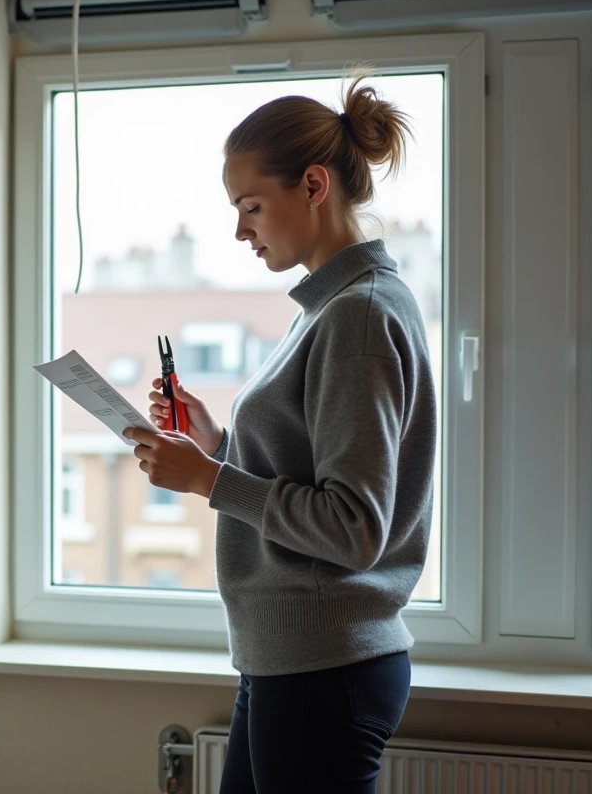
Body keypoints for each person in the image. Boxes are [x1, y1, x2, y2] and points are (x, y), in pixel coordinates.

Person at [122, 73, 437, 792]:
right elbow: (309, 473)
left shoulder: (357, 315)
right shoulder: (328, 309)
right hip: (289, 660)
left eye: (252, 206)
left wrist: (208, 480)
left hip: (325, 667)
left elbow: (353, 528)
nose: (240, 230)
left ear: (315, 186)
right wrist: (219, 447)